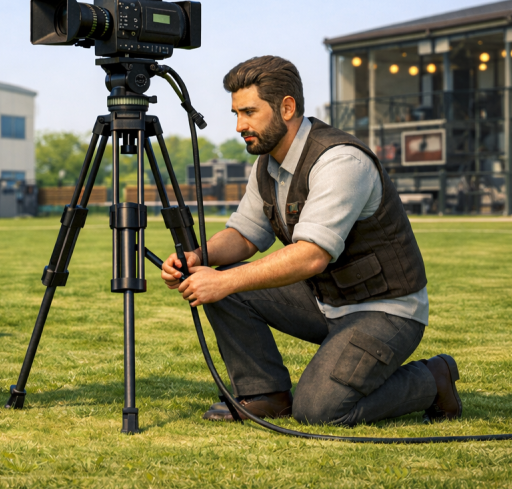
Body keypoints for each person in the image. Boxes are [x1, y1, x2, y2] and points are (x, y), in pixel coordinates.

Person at [161, 56, 462, 426]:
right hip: (327, 301)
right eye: (236, 113)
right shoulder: (268, 164)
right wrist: (198, 258)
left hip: (385, 310)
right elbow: (244, 235)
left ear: (287, 107)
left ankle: (432, 378)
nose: (239, 125)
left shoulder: (340, 161)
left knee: (319, 411)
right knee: (225, 284)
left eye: (249, 112)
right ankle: (265, 394)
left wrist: (221, 280)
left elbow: (311, 257)